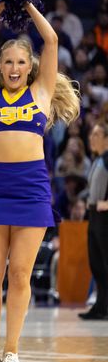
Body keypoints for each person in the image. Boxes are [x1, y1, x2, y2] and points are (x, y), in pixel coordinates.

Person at [0, 2, 80, 362]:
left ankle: (11, 352)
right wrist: (1, 5)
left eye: (20, 63)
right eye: (8, 63)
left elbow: (50, 38)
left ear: (30, 67)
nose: (14, 69)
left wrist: (27, 2)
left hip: (31, 188)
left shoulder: (42, 92)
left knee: (19, 274)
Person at [80, 121, 108, 320]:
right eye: (91, 135)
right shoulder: (98, 159)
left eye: (96, 135)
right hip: (94, 216)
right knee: (97, 264)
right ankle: (101, 307)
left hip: (105, 216)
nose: (91, 138)